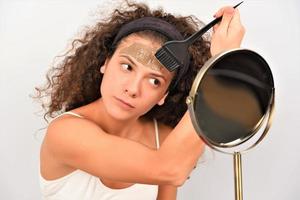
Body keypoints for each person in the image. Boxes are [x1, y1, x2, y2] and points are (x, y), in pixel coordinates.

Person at [33, 1, 245, 199]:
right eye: (127, 67)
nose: (133, 89)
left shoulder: (164, 139)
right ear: (105, 63)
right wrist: (220, 67)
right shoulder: (65, 133)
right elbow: (171, 169)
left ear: (164, 95)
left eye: (154, 81)